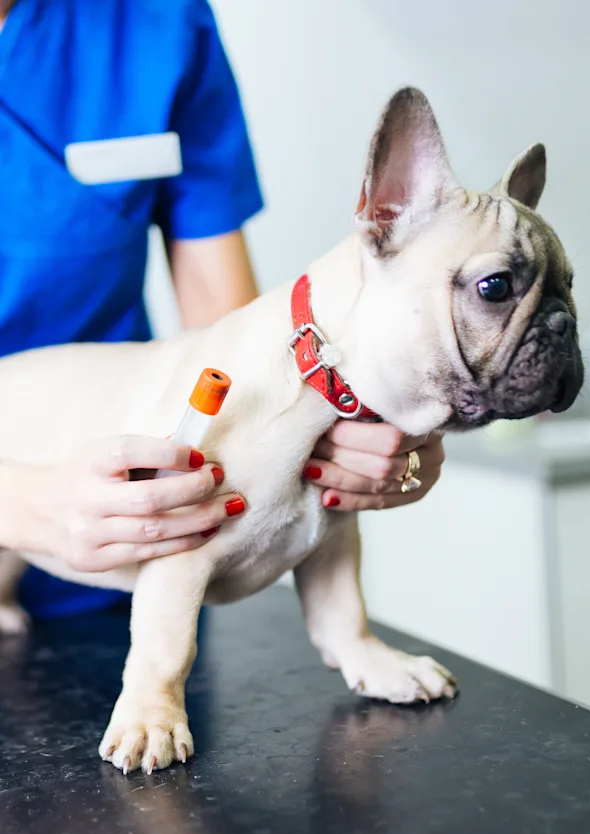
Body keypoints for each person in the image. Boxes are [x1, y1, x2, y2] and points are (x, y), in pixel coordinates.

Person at [0, 0, 444, 621]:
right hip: (66, 511)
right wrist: (20, 505)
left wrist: (354, 439)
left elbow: (235, 346)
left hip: (131, 554)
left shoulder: (158, 21)